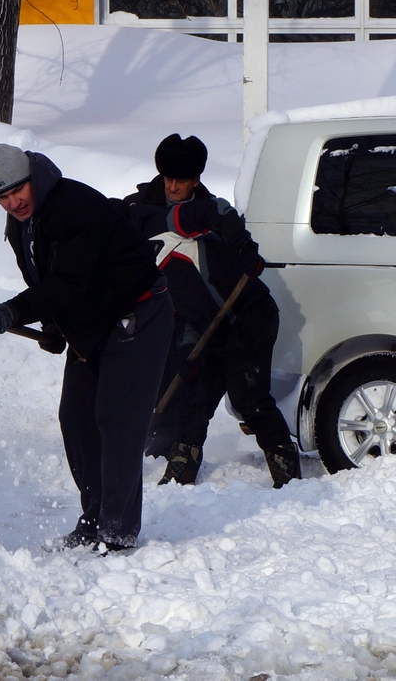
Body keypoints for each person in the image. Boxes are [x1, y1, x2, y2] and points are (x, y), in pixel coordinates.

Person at [0, 143, 173, 553]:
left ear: (33, 179)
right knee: (77, 419)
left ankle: (117, 531)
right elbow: (47, 279)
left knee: (116, 421)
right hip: (93, 322)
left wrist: (13, 311)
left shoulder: (73, 207)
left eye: (18, 191)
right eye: (2, 197)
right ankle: (95, 517)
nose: (13, 202)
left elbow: (69, 284)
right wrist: (53, 326)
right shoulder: (21, 225)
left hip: (137, 313)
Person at [124, 133, 301, 489]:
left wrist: (246, 251)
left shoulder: (203, 211)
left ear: (197, 179)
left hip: (246, 315)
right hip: (201, 320)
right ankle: (180, 472)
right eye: (168, 178)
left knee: (248, 397)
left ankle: (287, 470)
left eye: (181, 180)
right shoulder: (141, 212)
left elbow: (224, 218)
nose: (173, 186)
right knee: (193, 394)